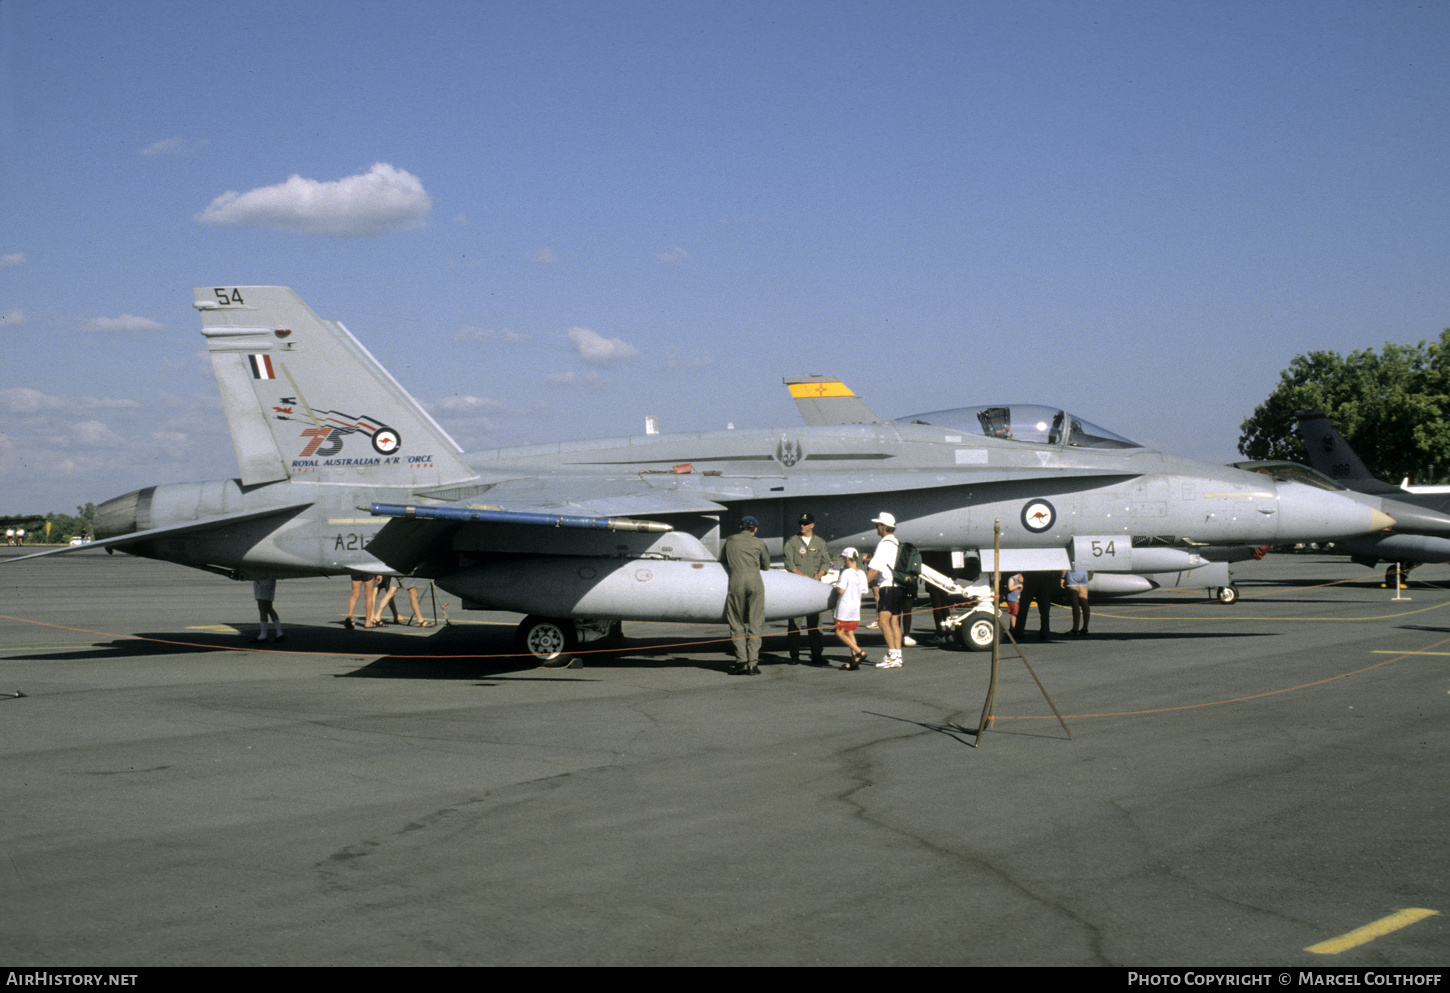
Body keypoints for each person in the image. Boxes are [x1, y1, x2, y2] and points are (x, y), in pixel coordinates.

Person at [722, 515, 771, 675]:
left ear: (741, 527)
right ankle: (752, 664)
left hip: (736, 582)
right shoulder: (759, 543)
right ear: (755, 529)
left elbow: (722, 560)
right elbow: (766, 565)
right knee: (755, 623)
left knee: (736, 623)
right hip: (755, 582)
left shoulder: (730, 540)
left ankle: (741, 662)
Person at [783, 511, 830, 665]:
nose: (802, 526)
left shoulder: (819, 542)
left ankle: (817, 655)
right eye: (800, 523)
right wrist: (802, 576)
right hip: (797, 588)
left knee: (815, 624)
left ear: (812, 525)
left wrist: (820, 573)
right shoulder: (792, 542)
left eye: (805, 523)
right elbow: (789, 564)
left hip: (814, 589)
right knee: (795, 623)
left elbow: (825, 562)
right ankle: (794, 655)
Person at [867, 512, 904, 668]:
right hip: (899, 587)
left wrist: (862, 584)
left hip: (888, 586)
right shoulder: (896, 542)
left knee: (882, 622)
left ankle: (892, 655)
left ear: (883, 527)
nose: (876, 527)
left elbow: (874, 569)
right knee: (894, 622)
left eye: (878, 525)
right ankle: (898, 655)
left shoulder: (884, 544)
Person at [833, 547, 869, 669]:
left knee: (839, 632)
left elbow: (841, 590)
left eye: (843, 558)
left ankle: (859, 652)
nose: (843, 560)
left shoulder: (846, 572)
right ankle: (854, 661)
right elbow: (865, 592)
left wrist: (836, 586)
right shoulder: (861, 573)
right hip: (855, 606)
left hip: (845, 606)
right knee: (850, 631)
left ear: (847, 558)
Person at [1012, 571, 1055, 641]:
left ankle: (1019, 631)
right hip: (1045, 577)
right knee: (1044, 608)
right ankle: (1045, 631)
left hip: (1031, 576)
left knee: (1024, 607)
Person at [1064, 568, 1090, 635]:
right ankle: (1085, 627)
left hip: (1072, 573)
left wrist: (1062, 577)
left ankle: (1075, 628)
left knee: (1075, 603)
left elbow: (1065, 565)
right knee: (1084, 602)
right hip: (1083, 572)